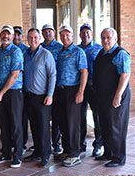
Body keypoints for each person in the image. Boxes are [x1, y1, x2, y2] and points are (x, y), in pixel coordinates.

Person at [93, 27, 131, 167]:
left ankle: (119, 157)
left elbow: (125, 74)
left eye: (108, 37)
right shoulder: (102, 53)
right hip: (103, 96)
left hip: (116, 96)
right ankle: (108, 153)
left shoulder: (120, 53)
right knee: (105, 125)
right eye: (103, 37)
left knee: (116, 126)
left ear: (115, 39)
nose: (105, 40)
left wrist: (118, 95)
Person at [0, 25, 24, 168]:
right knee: (3, 124)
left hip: (13, 92)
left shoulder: (16, 52)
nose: (6, 37)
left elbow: (15, 75)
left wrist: (1, 93)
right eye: (3, 34)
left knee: (16, 125)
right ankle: (6, 153)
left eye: (8, 34)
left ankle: (17, 156)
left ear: (12, 37)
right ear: (0, 35)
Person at [23, 28, 56, 167]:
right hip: (29, 96)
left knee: (43, 127)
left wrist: (50, 94)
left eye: (35, 37)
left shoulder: (46, 54)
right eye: (30, 37)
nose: (33, 40)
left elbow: (52, 75)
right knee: (34, 127)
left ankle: (45, 154)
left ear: (39, 38)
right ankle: (37, 152)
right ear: (27, 39)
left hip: (43, 97)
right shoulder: (25, 54)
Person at [56, 25, 88, 167]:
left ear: (72, 35)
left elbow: (84, 72)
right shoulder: (60, 52)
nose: (65, 37)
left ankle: (75, 154)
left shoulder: (78, 51)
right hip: (60, 91)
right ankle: (67, 150)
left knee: (73, 123)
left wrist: (80, 92)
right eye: (62, 35)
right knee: (63, 122)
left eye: (67, 35)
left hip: (73, 90)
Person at [78, 23, 103, 156]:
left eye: (88, 32)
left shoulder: (99, 49)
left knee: (96, 117)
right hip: (80, 88)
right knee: (80, 117)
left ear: (91, 34)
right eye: (83, 32)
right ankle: (81, 144)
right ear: (79, 34)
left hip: (94, 87)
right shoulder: (76, 49)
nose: (85, 34)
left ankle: (98, 145)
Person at [41, 24, 63, 156]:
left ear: (54, 33)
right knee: (43, 117)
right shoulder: (40, 47)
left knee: (56, 117)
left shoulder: (60, 47)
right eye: (45, 32)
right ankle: (43, 144)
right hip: (43, 88)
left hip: (56, 87)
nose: (48, 33)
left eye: (50, 31)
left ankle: (56, 144)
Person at [13, 26, 28, 154]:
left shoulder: (27, 50)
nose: (17, 37)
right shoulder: (7, 49)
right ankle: (13, 143)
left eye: (19, 35)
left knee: (22, 117)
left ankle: (22, 145)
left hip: (25, 88)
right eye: (15, 35)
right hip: (12, 89)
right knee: (13, 118)